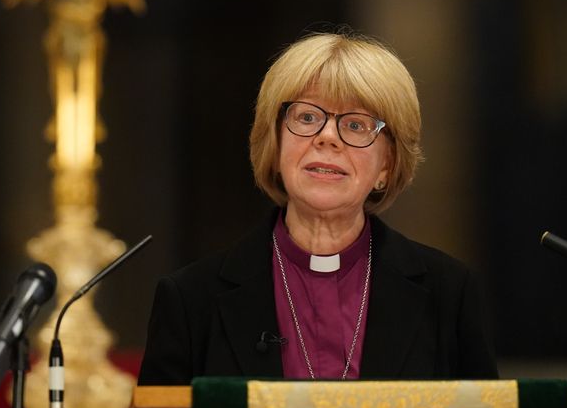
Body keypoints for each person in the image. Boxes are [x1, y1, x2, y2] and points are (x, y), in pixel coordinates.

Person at [138, 31, 497, 384]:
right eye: (307, 118)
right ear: (275, 147)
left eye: (356, 125)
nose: (327, 137)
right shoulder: (190, 300)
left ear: (386, 166)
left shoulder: (449, 294)